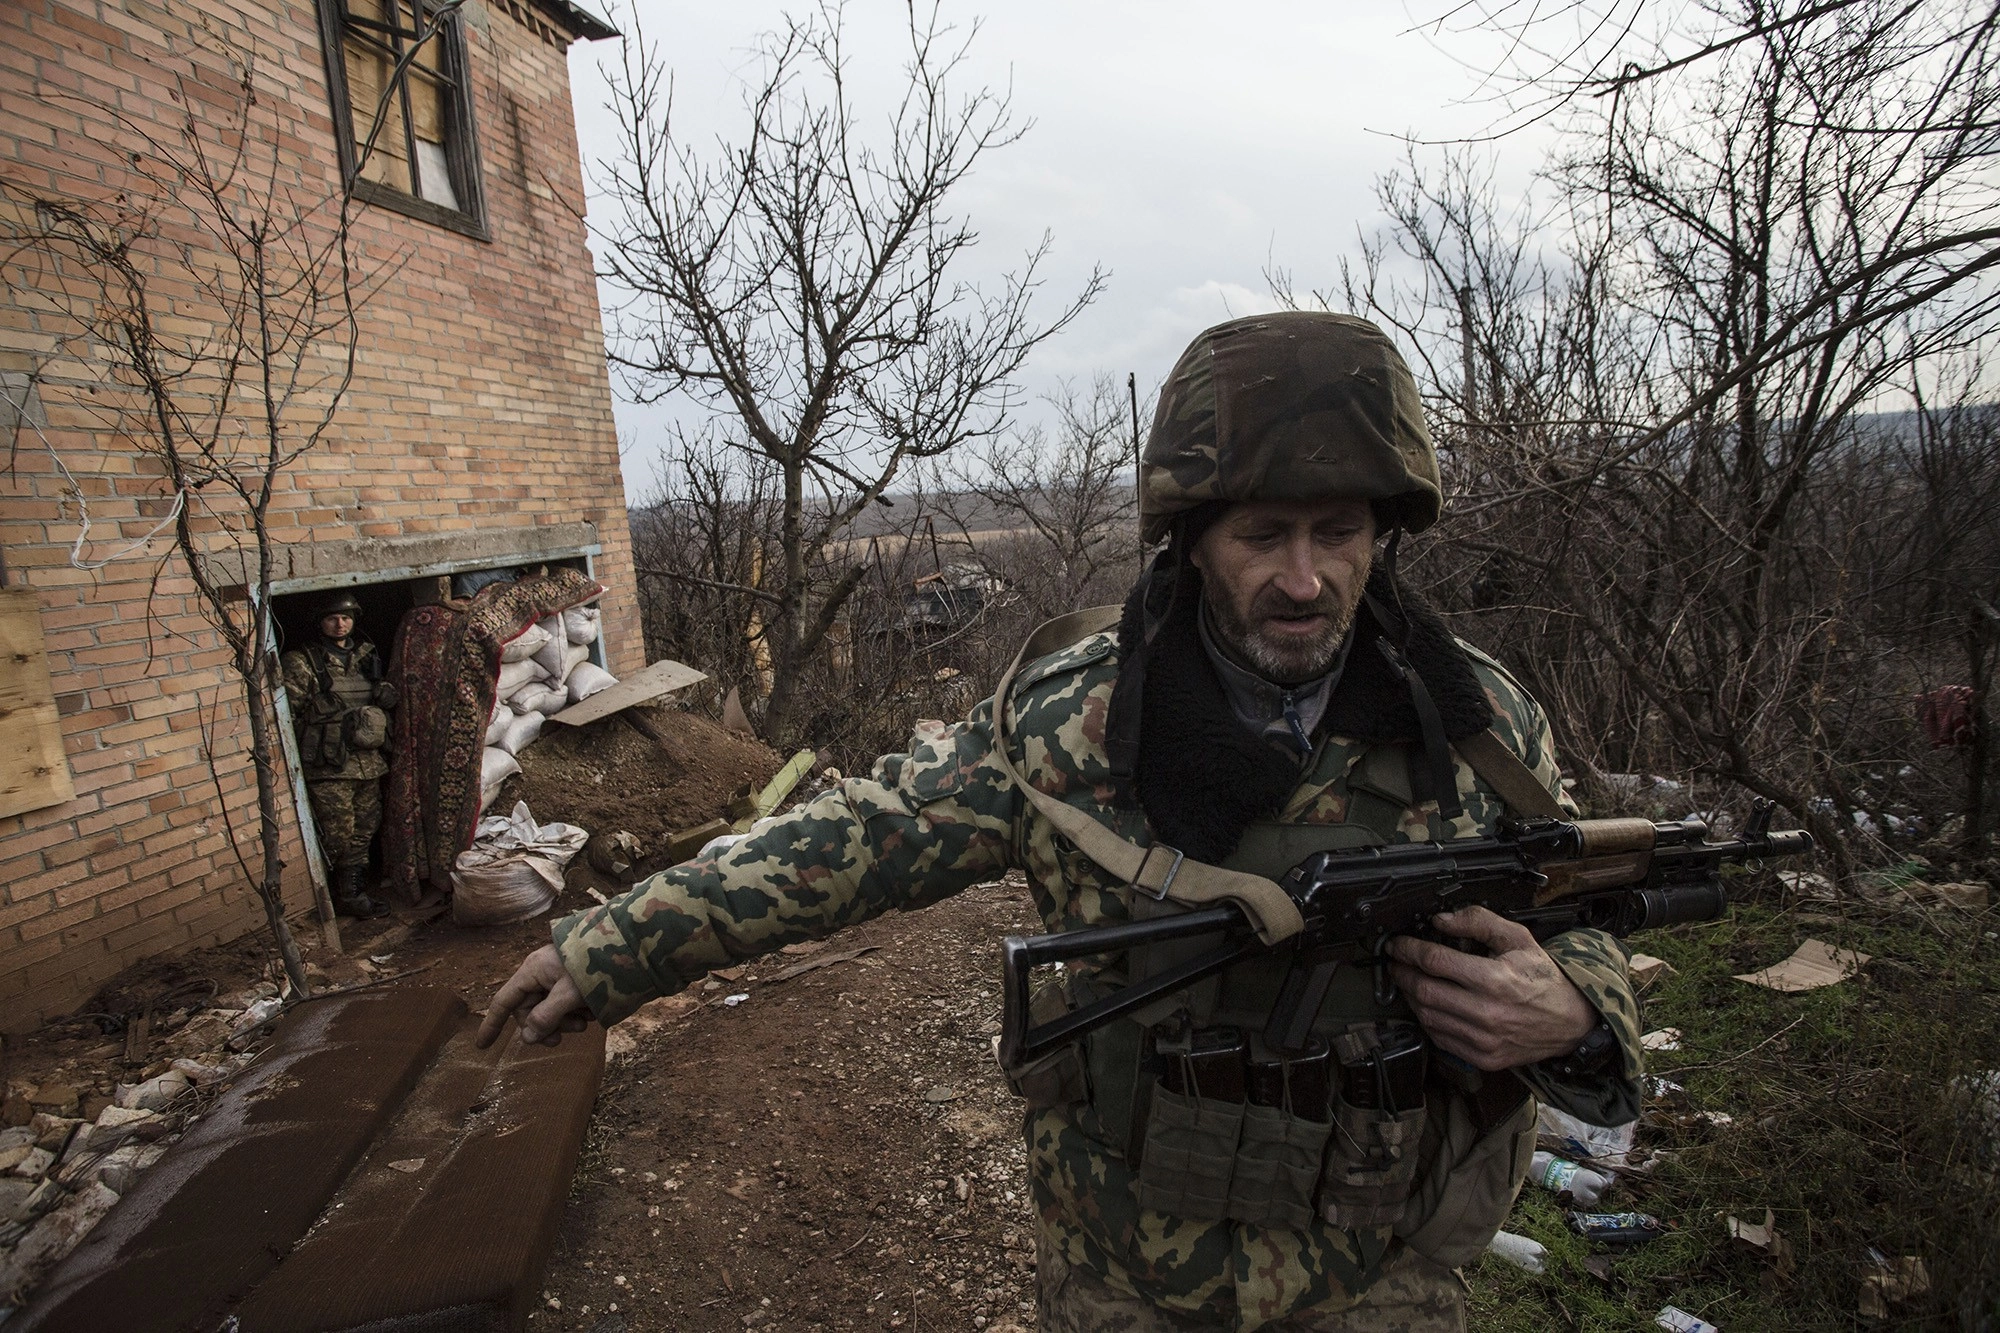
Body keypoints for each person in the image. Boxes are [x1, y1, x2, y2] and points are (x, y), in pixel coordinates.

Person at [479, 313, 1642, 1331]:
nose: (1303, 578)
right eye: (1260, 536)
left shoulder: (1474, 725)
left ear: (1381, 529)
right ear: (1191, 539)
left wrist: (1574, 1010)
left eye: (1335, 532)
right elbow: (850, 842)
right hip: (1125, 1273)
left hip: (1378, 1273)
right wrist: (615, 945)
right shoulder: (1067, 727)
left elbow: (1576, 903)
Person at [281, 590, 396, 919]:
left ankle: (353, 894)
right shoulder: (303, 661)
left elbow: (382, 690)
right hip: (329, 765)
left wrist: (385, 694)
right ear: (320, 622)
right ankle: (318, 897)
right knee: (336, 834)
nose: (340, 624)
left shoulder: (366, 655)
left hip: (368, 764)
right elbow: (290, 715)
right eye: (332, 618)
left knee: (364, 830)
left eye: (346, 618)